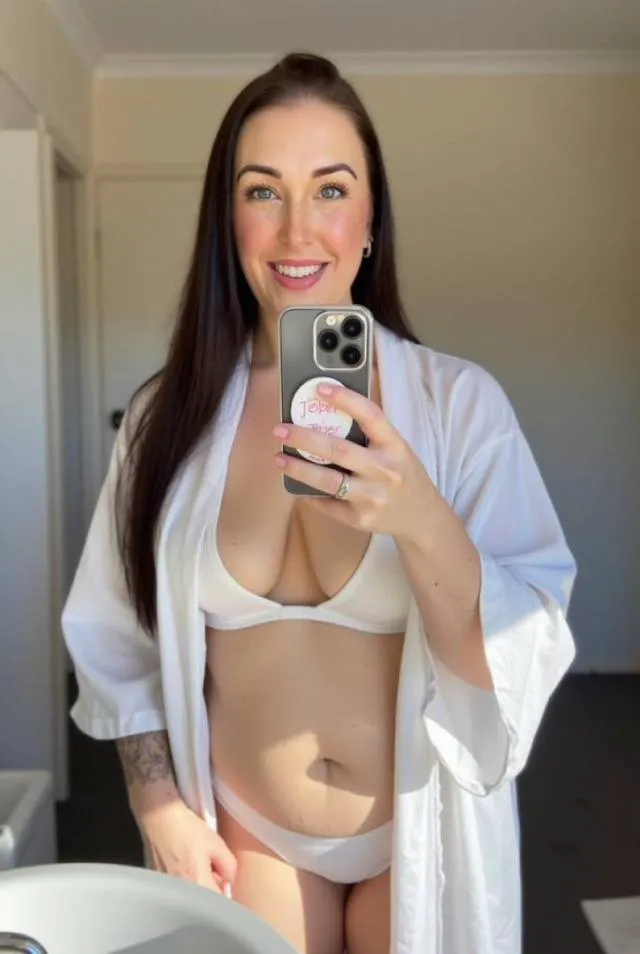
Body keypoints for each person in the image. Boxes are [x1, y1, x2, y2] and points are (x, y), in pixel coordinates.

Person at [62, 52, 577, 954]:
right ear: (227, 220)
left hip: (416, 833)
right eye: (263, 191)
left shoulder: (458, 406)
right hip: (245, 833)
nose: (298, 229)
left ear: (371, 219)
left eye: (331, 189)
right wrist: (156, 802)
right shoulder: (164, 417)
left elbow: (513, 655)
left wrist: (420, 518)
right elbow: (115, 633)